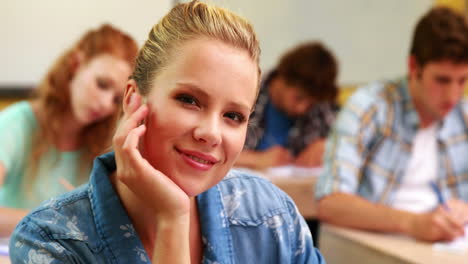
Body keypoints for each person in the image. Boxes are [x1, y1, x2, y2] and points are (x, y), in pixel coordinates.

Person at [9, 1, 325, 263]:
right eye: (189, 100)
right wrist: (172, 220)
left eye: (233, 116)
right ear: (133, 100)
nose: (211, 133)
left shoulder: (269, 215)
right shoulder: (50, 241)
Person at [316, 6, 468, 242]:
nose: (453, 95)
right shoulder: (370, 107)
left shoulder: (463, 115)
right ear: (413, 67)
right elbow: (330, 203)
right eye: (442, 80)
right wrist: (413, 223)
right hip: (379, 249)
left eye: (462, 81)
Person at [0, 24, 138, 236]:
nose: (105, 104)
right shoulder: (16, 124)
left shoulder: (106, 145)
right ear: (76, 64)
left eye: (116, 99)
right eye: (102, 84)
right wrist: (56, 219)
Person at [235, 42, 339, 171]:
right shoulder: (244, 92)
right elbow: (213, 147)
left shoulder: (321, 106)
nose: (302, 108)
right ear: (282, 78)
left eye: (310, 103)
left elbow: (352, 142)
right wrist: (256, 160)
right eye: (298, 97)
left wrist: (329, 145)